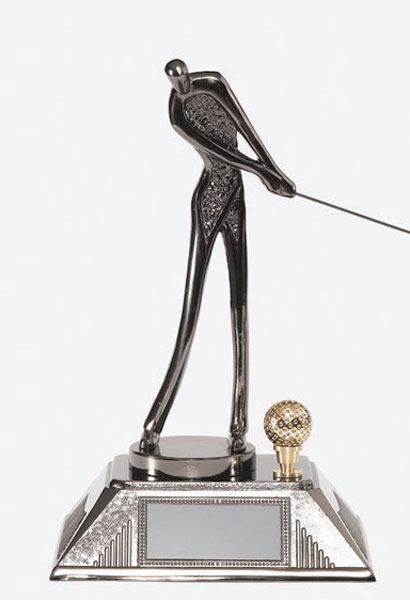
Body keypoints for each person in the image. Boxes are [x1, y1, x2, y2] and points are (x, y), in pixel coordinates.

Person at [139, 59, 295, 454]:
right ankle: (154, 425)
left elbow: (245, 129)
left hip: (236, 199)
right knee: (191, 310)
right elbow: (223, 154)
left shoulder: (212, 83)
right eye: (175, 83)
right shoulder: (177, 115)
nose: (181, 86)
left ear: (188, 74)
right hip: (209, 201)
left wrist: (275, 169)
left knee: (240, 308)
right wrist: (263, 173)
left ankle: (238, 425)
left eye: (183, 79)